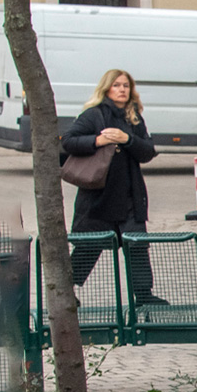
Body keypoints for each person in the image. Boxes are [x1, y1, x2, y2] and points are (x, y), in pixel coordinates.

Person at [60, 69, 158, 303]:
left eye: (126, 85)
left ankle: (144, 296)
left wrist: (128, 139)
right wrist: (97, 140)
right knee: (89, 247)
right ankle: (64, 294)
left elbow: (148, 152)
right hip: (99, 195)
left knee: (137, 246)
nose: (122, 90)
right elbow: (68, 142)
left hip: (130, 195)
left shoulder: (134, 118)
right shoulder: (93, 115)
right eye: (116, 85)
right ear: (106, 89)